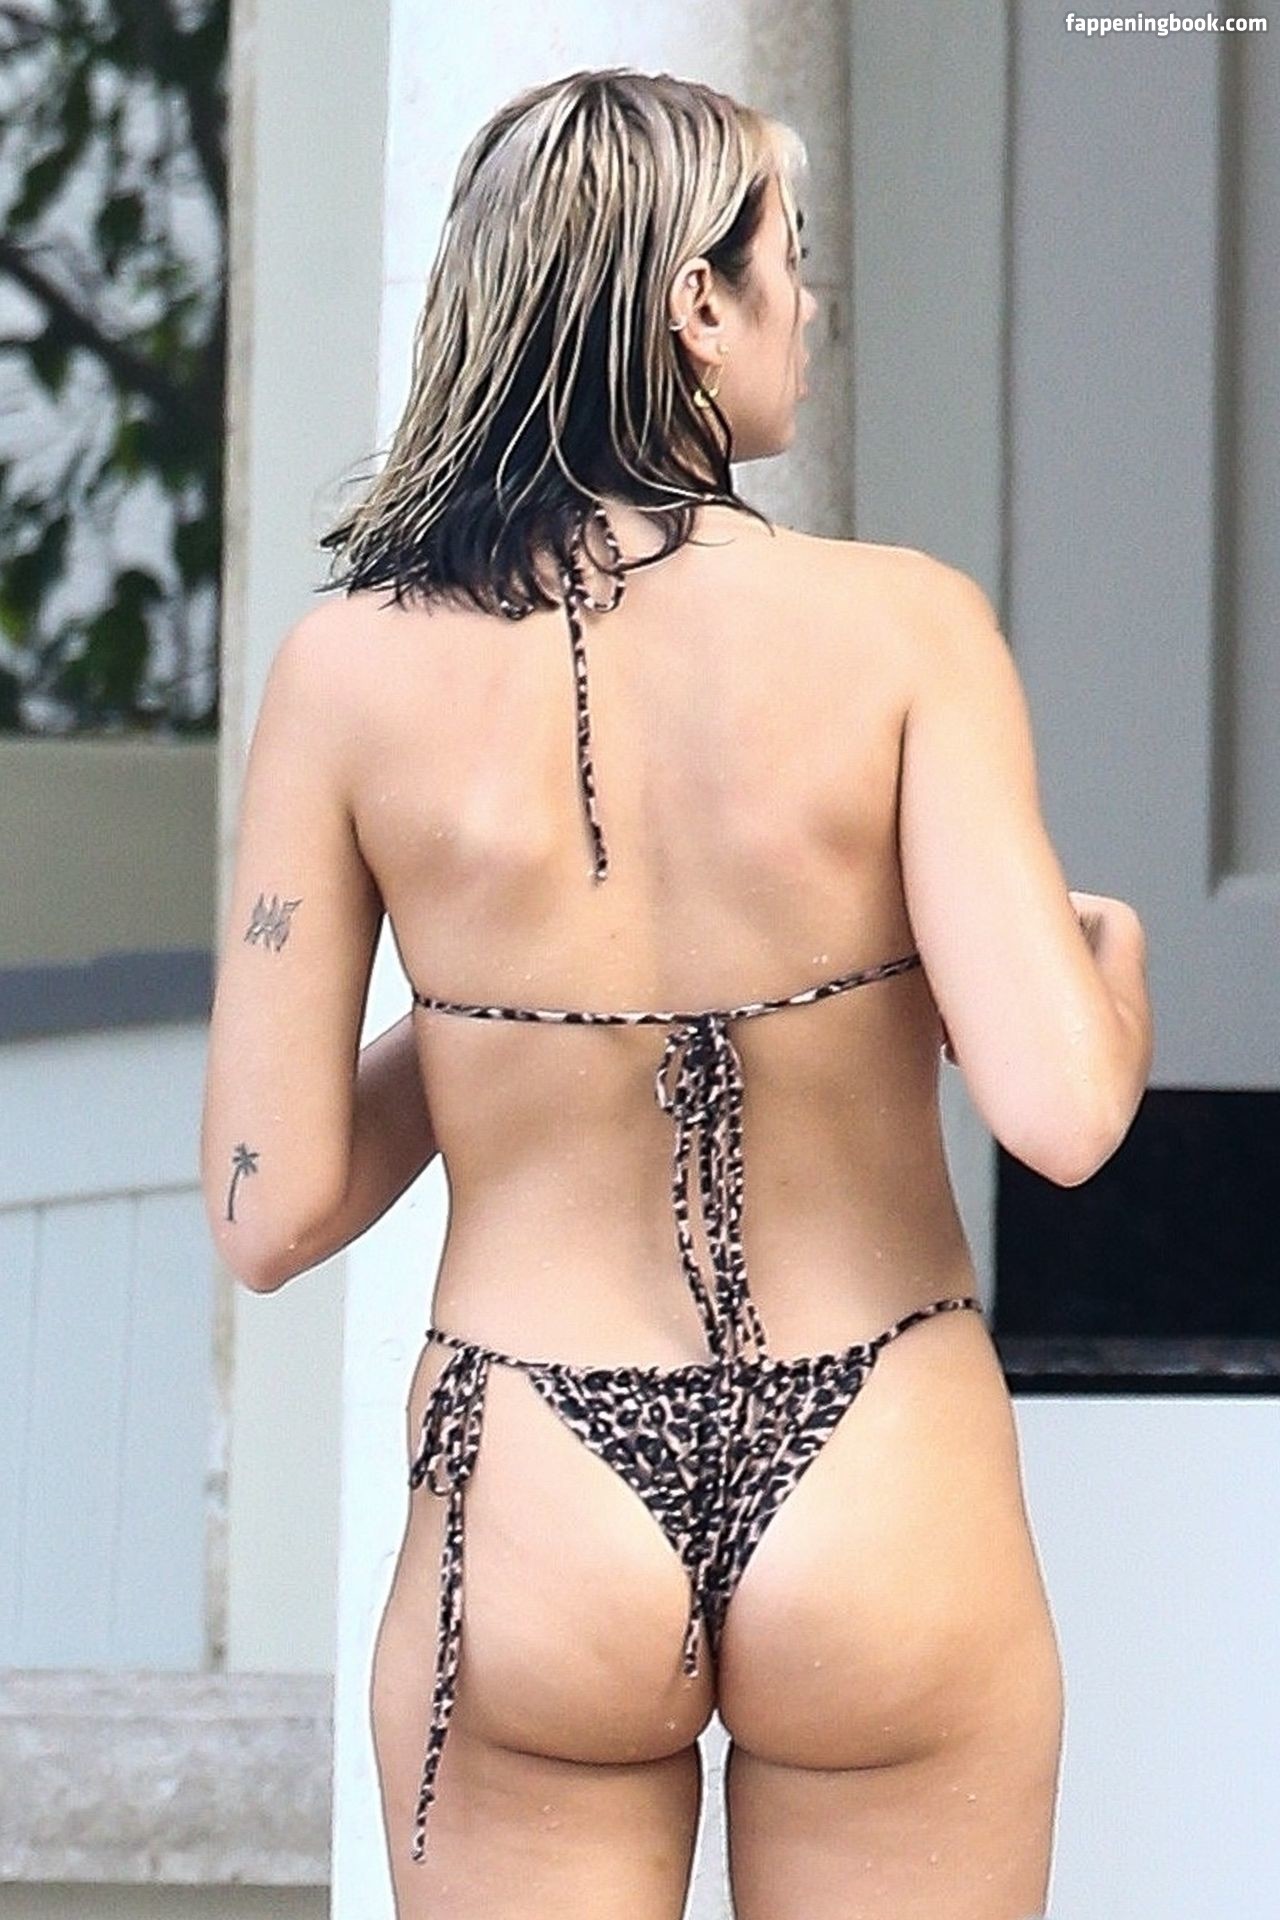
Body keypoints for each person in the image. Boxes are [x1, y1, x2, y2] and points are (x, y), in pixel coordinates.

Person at [201, 66, 1153, 1920]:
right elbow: (1061, 1113)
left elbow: (271, 1207)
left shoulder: (346, 673)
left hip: (530, 1481)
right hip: (883, 1449)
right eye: (788, 259)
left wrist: (501, 1030)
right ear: (694, 303)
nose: (812, 304)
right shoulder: (907, 626)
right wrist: (1108, 962)